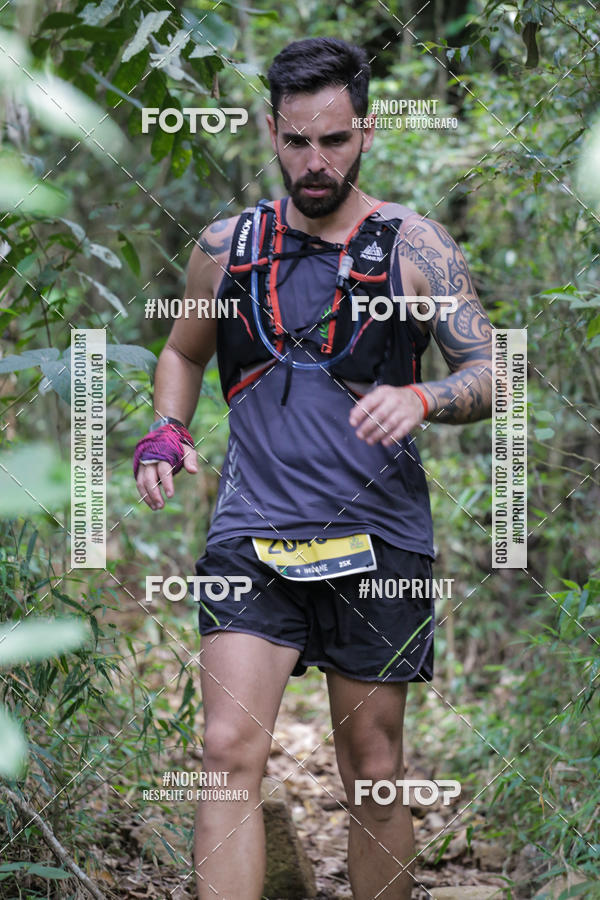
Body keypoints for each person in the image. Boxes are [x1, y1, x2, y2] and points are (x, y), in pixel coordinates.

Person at [134, 37, 492, 900]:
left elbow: (495, 372)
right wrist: (166, 432)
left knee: (372, 769)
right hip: (253, 535)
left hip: (381, 542)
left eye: (334, 140)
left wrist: (426, 400)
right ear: (271, 130)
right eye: (297, 141)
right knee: (226, 753)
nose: (315, 160)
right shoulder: (225, 246)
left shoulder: (415, 245)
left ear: (366, 130)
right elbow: (182, 352)